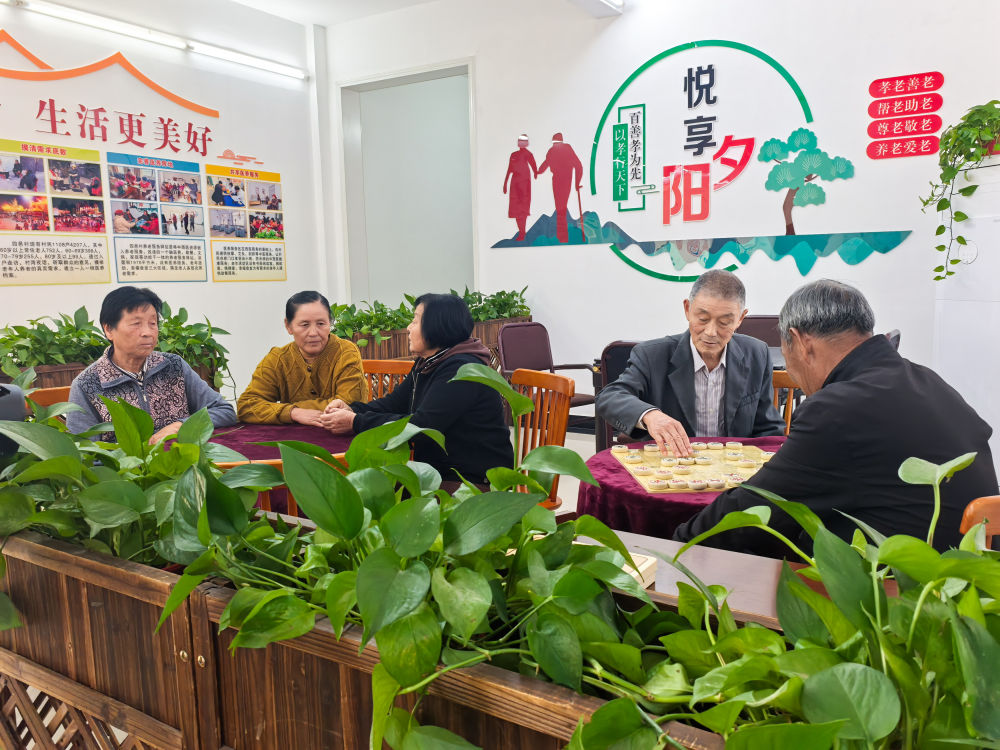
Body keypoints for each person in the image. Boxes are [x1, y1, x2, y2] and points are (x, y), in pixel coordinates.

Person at [674, 279, 999, 556]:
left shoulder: (837, 409)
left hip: (903, 591)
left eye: (786, 357)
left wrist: (679, 544)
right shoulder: (926, 380)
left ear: (801, 343)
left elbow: (756, 507)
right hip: (973, 576)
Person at [322, 293, 514, 488]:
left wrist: (355, 422)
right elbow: (393, 403)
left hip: (471, 482)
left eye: (415, 321)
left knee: (366, 489)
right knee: (366, 484)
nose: (408, 328)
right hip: (437, 472)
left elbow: (421, 427)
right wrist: (352, 409)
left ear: (437, 326)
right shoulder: (429, 362)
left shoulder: (462, 370)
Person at [596, 269, 783, 457]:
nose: (710, 332)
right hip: (673, 466)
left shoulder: (756, 353)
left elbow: (768, 428)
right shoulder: (652, 355)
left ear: (740, 318)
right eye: (703, 319)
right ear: (687, 309)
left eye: (724, 322)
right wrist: (650, 415)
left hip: (734, 467)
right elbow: (610, 397)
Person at [67, 287, 236, 443]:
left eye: (153, 323)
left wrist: (181, 425)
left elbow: (224, 411)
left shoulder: (173, 366)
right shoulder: (87, 385)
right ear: (109, 330)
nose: (148, 332)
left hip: (181, 460)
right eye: (136, 324)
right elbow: (84, 451)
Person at [237, 291, 368, 425]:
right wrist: (293, 412)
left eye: (321, 323)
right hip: (293, 435)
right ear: (288, 326)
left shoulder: (346, 352)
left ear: (330, 322)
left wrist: (284, 408)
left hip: (342, 432)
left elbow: (348, 404)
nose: (313, 333)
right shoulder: (278, 358)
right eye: (305, 325)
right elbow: (246, 406)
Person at [537, 132, 582, 243]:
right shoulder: (562, 149)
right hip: (563, 181)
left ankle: (563, 236)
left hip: (559, 181)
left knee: (560, 208)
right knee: (561, 208)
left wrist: (577, 183)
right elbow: (578, 166)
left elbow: (544, 166)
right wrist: (577, 183)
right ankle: (562, 236)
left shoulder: (555, 150)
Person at [503, 134, 538, 241]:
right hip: (514, 183)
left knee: (523, 208)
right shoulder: (513, 154)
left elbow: (534, 165)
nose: (521, 143)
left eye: (523, 141)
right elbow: (509, 169)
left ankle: (522, 233)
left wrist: (536, 173)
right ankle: (521, 231)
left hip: (525, 183)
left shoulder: (528, 154)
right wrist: (505, 183)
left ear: (526, 143)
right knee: (516, 209)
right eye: (520, 141)